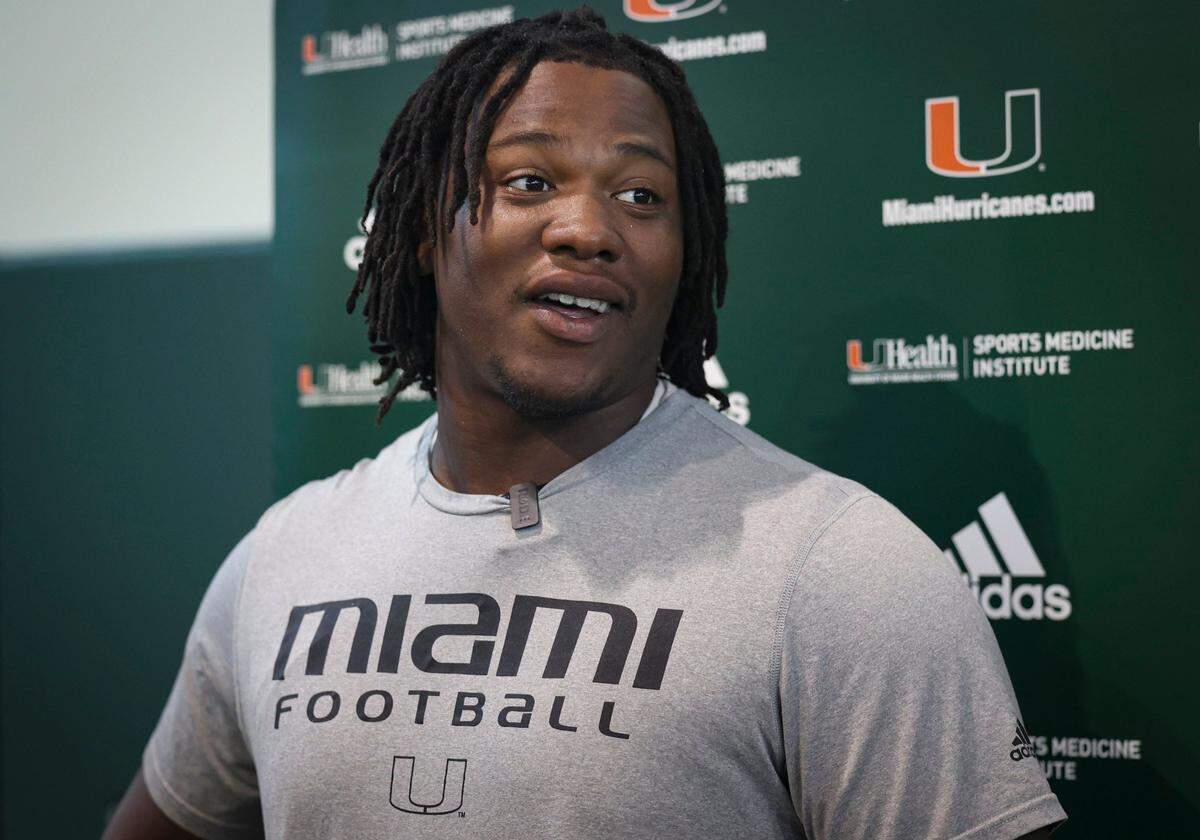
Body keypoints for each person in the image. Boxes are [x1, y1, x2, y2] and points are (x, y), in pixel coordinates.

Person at [104, 7, 1066, 839]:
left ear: (686, 257)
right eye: (528, 182)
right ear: (417, 233)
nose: (589, 227)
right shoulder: (289, 553)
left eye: (641, 195)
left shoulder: (836, 568)